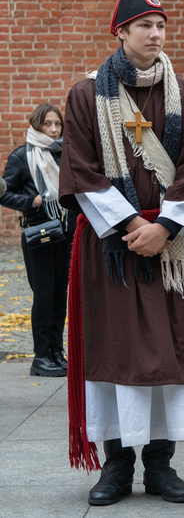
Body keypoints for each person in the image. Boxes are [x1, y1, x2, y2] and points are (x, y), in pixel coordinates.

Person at [59, 0, 184, 506]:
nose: (155, 33)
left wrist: (166, 229)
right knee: (117, 353)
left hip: (169, 250)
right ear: (120, 33)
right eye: (144, 24)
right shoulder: (86, 97)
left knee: (170, 354)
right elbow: (81, 170)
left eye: (160, 24)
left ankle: (161, 465)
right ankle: (117, 466)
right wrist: (133, 225)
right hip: (113, 249)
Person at [1, 103, 74, 377]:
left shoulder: (66, 154)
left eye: (57, 124)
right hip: (40, 235)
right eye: (48, 124)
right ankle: (40, 356)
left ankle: (56, 352)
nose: (54, 129)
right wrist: (31, 201)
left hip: (65, 234)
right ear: (36, 125)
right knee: (43, 296)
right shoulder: (22, 157)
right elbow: (3, 193)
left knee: (59, 295)